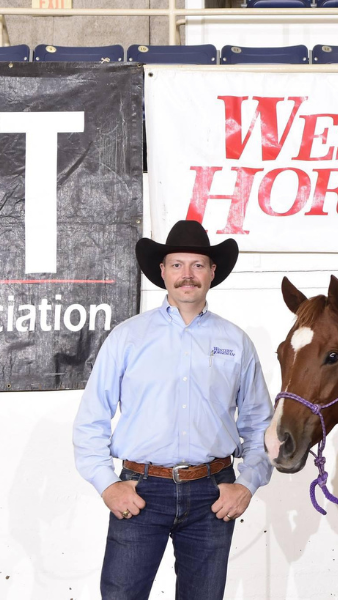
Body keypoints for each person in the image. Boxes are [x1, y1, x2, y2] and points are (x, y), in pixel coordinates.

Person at [73, 220, 274, 600]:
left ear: (212, 272)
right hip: (141, 491)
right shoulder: (127, 338)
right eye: (177, 264)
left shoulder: (236, 342)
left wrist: (247, 484)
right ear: (162, 271)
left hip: (212, 495)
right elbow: (91, 419)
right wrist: (107, 484)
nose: (187, 275)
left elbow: (259, 424)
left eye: (198, 265)